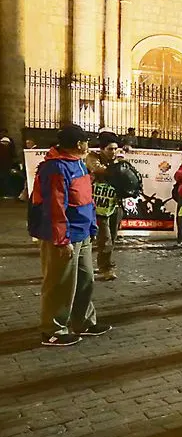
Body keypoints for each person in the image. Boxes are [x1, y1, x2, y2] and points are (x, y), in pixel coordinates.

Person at [28, 124, 112, 346]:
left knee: (85, 280)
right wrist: (61, 239)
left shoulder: (78, 164)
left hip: (81, 232)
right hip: (64, 235)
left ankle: (82, 321)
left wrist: (91, 227)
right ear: (79, 144)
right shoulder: (55, 168)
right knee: (60, 283)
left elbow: (86, 199)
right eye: (86, 142)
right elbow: (55, 207)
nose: (88, 145)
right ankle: (53, 329)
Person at [85, 132, 124, 282]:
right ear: (102, 149)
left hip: (114, 205)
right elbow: (97, 169)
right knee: (105, 238)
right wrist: (118, 169)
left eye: (115, 149)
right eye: (110, 149)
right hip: (98, 205)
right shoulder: (93, 158)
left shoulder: (118, 161)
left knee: (111, 238)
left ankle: (101, 263)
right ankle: (106, 268)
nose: (113, 152)